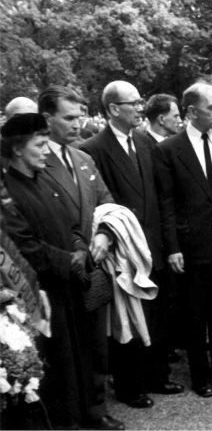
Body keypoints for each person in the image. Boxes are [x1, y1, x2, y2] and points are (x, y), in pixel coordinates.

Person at [81, 80, 183, 408]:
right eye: (134, 103)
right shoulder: (93, 149)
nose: (141, 108)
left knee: (157, 314)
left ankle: (157, 375)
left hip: (152, 245)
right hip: (121, 251)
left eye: (141, 102)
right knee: (127, 318)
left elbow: (160, 197)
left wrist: (167, 244)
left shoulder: (144, 142)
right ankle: (130, 386)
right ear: (113, 109)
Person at [0, 113, 96, 429]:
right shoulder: (7, 192)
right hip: (44, 292)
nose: (46, 151)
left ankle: (85, 415)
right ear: (17, 149)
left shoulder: (46, 179)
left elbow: (71, 223)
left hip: (69, 285)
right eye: (40, 145)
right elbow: (22, 244)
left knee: (80, 355)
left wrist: (81, 248)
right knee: (59, 365)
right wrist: (68, 261)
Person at [37, 86, 125, 429]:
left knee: (94, 342)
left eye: (80, 117)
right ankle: (67, 412)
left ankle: (96, 408)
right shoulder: (34, 160)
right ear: (47, 119)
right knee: (61, 345)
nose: (78, 124)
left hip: (94, 268)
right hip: (59, 268)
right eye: (69, 117)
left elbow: (109, 204)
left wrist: (105, 234)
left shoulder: (85, 159)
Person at [153, 82, 212, 398]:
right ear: (192, 112)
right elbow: (165, 203)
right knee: (195, 314)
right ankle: (201, 376)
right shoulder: (168, 149)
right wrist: (173, 248)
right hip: (191, 247)